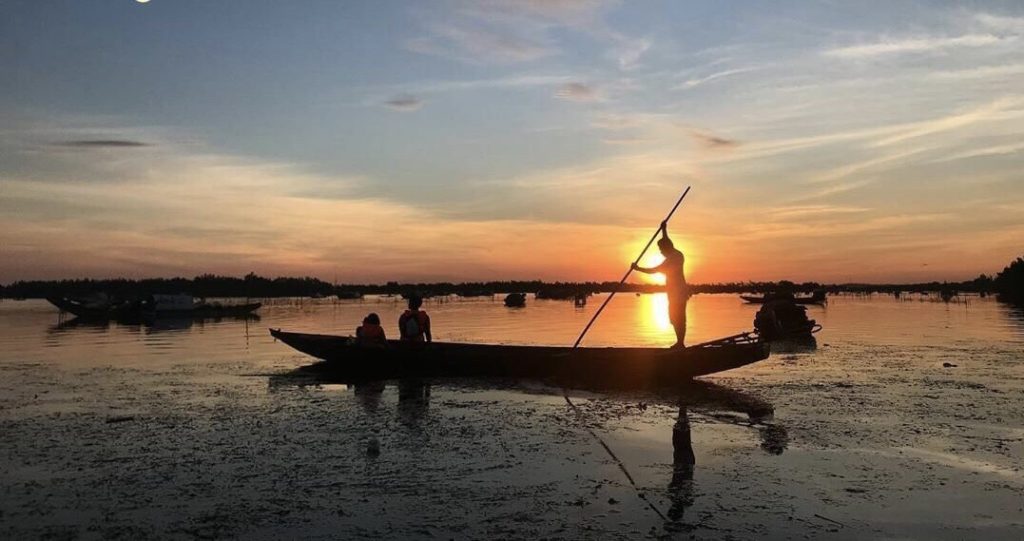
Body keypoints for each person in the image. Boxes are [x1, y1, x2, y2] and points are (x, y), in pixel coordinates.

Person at [631, 220, 690, 347]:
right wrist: (664, 229)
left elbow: (654, 270)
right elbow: (667, 241)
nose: (660, 251)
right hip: (673, 293)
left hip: (678, 293)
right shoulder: (674, 254)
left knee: (679, 318)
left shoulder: (674, 258)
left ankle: (680, 343)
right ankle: (679, 342)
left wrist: (638, 268)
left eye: (660, 249)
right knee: (674, 318)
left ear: (666, 248)